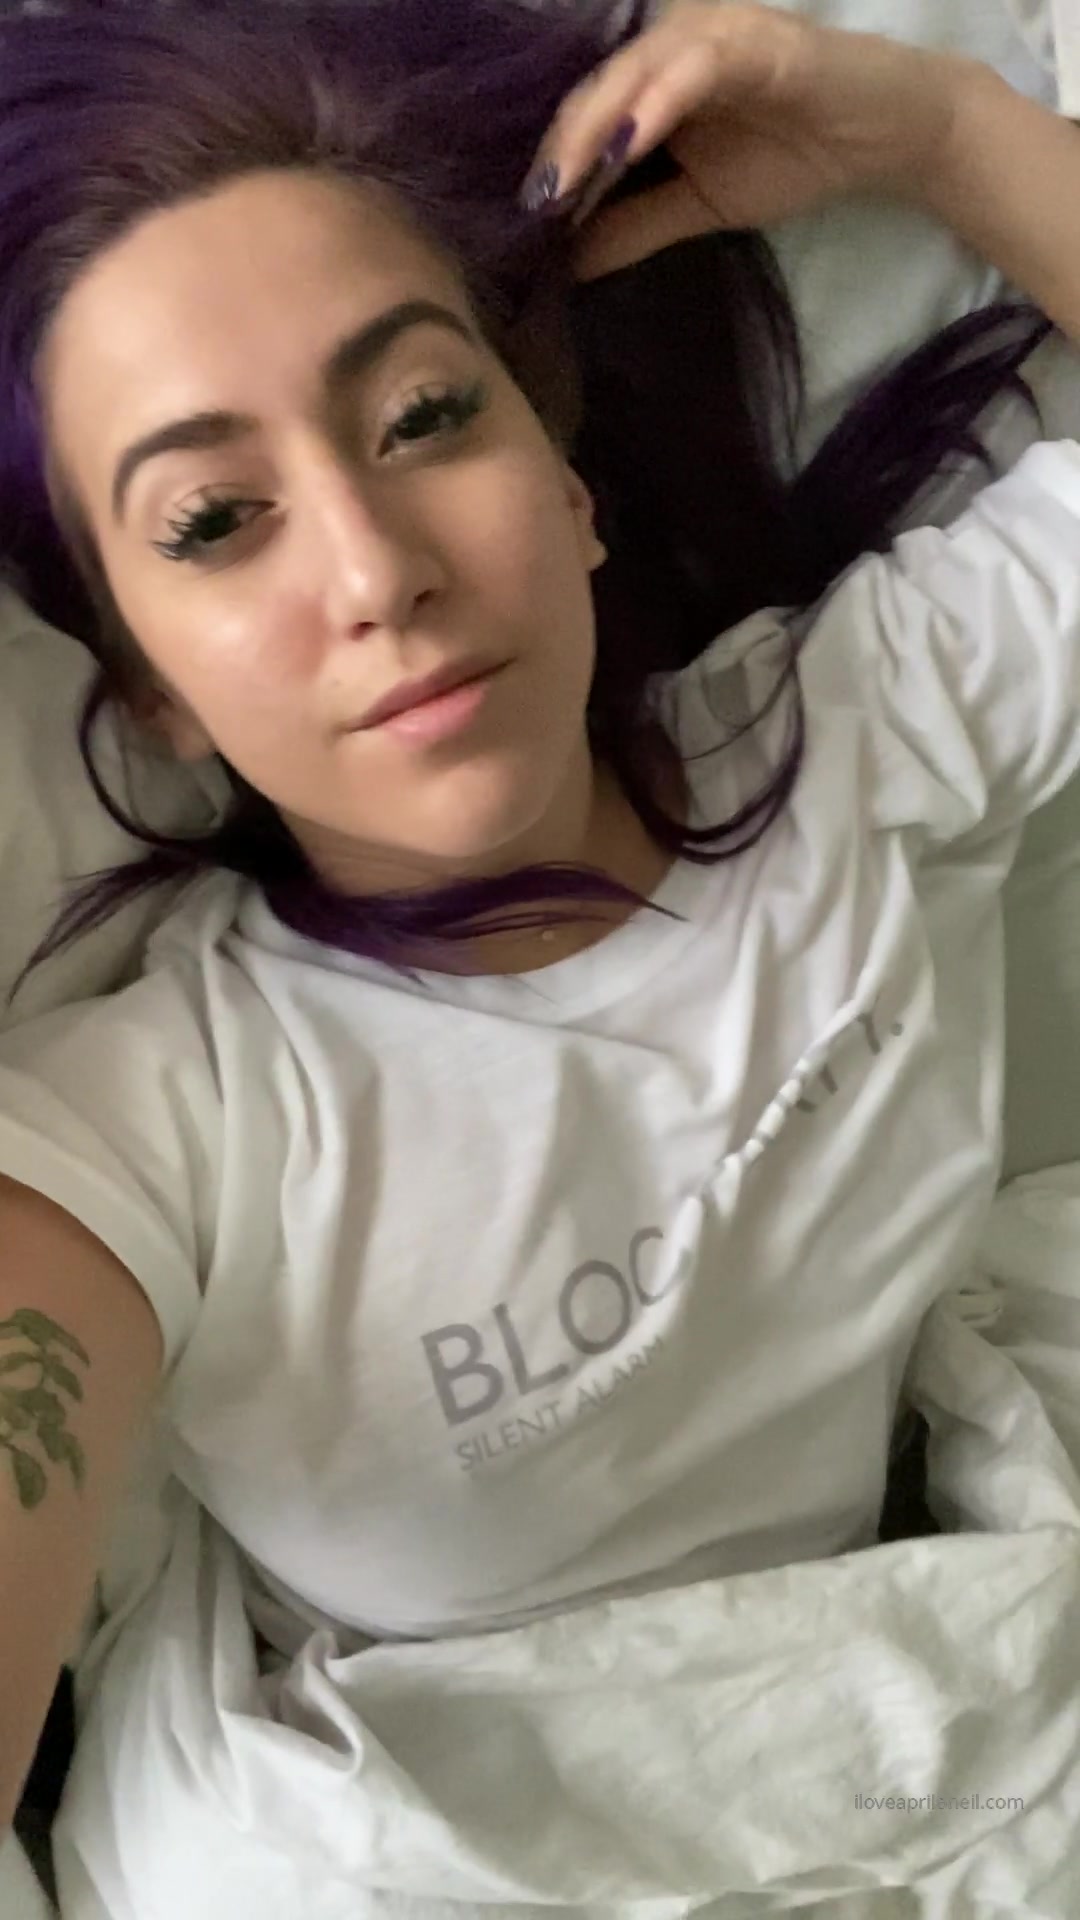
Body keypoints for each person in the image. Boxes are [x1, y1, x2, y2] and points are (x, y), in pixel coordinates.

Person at [1, 0, 1080, 1905]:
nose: (374, 569)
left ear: (568, 486)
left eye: (425, 416)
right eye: (217, 521)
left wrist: (937, 133)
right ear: (151, 692)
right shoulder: (162, 1120)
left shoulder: (859, 737)